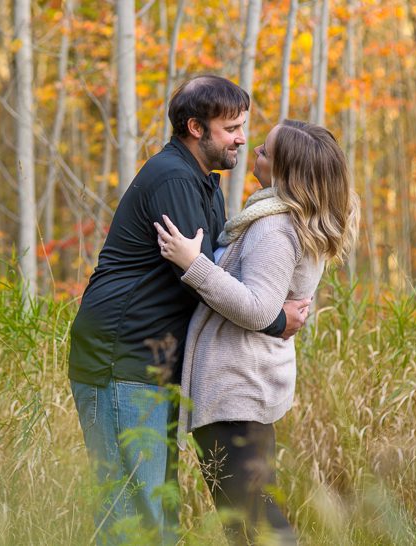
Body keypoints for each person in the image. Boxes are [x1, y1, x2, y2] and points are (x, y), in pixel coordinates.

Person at [68, 75, 311, 544]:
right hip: (122, 357)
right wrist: (276, 318)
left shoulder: (205, 183)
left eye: (244, 126)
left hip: (153, 362)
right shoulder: (175, 179)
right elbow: (208, 282)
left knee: (154, 511)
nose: (242, 137)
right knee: (133, 515)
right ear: (196, 128)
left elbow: (218, 270)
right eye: (232, 128)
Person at [154, 119, 360, 544]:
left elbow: (257, 308)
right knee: (252, 520)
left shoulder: (275, 227)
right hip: (250, 385)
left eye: (265, 151)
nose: (254, 151)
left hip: (238, 389)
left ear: (286, 172)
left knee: (255, 524)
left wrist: (194, 263)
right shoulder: (288, 218)